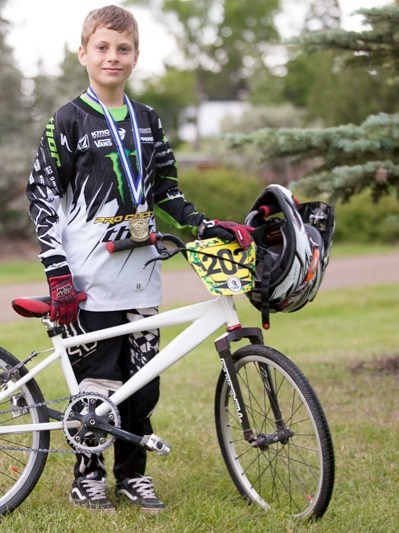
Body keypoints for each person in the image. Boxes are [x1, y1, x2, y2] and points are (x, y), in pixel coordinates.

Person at [26, 5, 252, 513]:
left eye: (122, 48)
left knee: (141, 387)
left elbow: (168, 193)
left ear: (136, 56)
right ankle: (86, 477)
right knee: (96, 387)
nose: (112, 56)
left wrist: (204, 224)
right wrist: (57, 271)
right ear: (83, 52)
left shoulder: (149, 120)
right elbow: (41, 198)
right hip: (86, 282)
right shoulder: (66, 120)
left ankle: (132, 475)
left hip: (142, 282)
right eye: (102, 47)